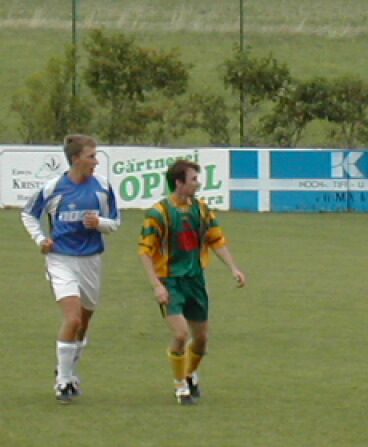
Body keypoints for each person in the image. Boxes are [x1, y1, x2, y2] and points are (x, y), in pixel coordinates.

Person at [21, 134, 120, 404]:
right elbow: (28, 214)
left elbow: (114, 222)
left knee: (84, 322)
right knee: (73, 318)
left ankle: (69, 370)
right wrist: (41, 239)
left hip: (91, 261)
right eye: (91, 156)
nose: (96, 162)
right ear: (75, 159)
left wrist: (99, 223)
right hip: (61, 259)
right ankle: (63, 382)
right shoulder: (54, 188)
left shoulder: (102, 187)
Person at [138, 159, 246, 405]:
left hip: (195, 280)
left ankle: (189, 374)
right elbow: (145, 251)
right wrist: (156, 285)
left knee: (201, 340)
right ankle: (180, 386)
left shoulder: (201, 209)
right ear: (179, 183)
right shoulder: (158, 213)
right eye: (194, 179)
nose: (198, 184)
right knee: (181, 333)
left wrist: (233, 268)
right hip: (170, 281)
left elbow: (216, 239)